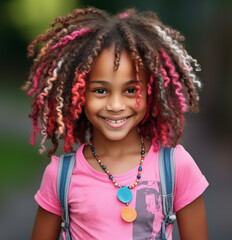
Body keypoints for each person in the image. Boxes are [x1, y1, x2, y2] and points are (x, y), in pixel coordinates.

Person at [24, 7, 209, 240]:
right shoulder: (61, 176)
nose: (115, 105)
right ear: (78, 94)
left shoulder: (176, 168)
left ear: (151, 92)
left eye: (131, 90)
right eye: (100, 90)